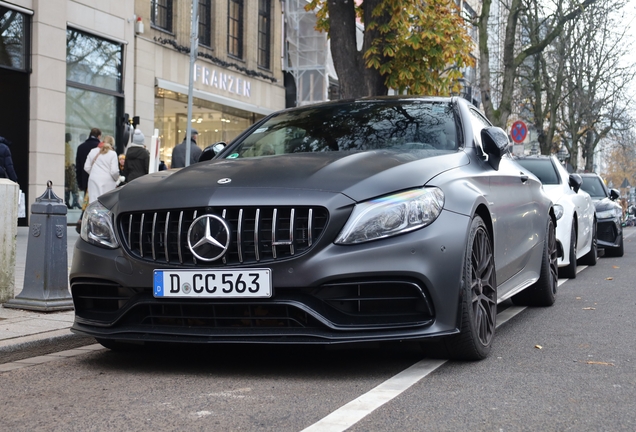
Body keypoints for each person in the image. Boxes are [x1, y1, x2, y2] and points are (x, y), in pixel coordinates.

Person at [83, 135, 120, 204]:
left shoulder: (93, 151)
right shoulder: (113, 154)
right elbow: (114, 171)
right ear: (112, 144)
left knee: (93, 203)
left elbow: (86, 167)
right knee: (107, 204)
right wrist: (116, 179)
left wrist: (94, 173)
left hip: (93, 180)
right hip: (108, 182)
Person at [75, 128, 101, 193]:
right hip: (98, 181)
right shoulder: (101, 148)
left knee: (87, 202)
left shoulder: (81, 147)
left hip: (85, 181)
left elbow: (78, 167)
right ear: (99, 136)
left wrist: (80, 184)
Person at [64, 133, 81, 209]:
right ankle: (68, 201)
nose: (70, 138)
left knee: (72, 186)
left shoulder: (68, 146)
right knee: (69, 186)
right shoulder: (65, 146)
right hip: (68, 167)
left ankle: (74, 202)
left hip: (70, 166)